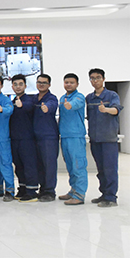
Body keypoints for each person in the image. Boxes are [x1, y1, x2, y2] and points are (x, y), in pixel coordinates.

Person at [86, 68, 124, 208]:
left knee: (110, 169)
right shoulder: (89, 98)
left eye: (98, 78)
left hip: (108, 139)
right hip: (95, 139)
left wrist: (106, 109)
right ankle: (104, 194)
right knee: (100, 170)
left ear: (103, 79)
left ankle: (111, 197)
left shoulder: (112, 95)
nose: (95, 81)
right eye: (92, 78)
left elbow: (116, 110)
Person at [58, 73, 87, 205]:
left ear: (77, 84)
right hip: (64, 136)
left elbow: (74, 104)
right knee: (70, 166)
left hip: (76, 137)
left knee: (78, 166)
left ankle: (80, 195)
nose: (68, 84)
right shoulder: (62, 98)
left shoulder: (79, 97)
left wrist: (70, 105)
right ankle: (73, 190)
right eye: (66, 82)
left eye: (72, 82)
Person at [9, 74, 39, 202]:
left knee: (29, 164)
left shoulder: (30, 100)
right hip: (14, 139)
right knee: (18, 165)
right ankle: (22, 188)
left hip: (27, 139)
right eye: (15, 84)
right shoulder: (12, 102)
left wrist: (22, 105)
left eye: (21, 84)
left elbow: (29, 107)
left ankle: (32, 191)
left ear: (25, 86)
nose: (18, 87)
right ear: (12, 86)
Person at [33, 74, 59, 202]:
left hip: (48, 137)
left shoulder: (51, 98)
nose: (41, 85)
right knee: (39, 165)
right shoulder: (34, 98)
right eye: (39, 82)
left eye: (44, 83)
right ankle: (42, 189)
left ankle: (49, 191)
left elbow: (51, 105)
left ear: (49, 85)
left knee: (49, 165)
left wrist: (46, 108)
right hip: (35, 137)